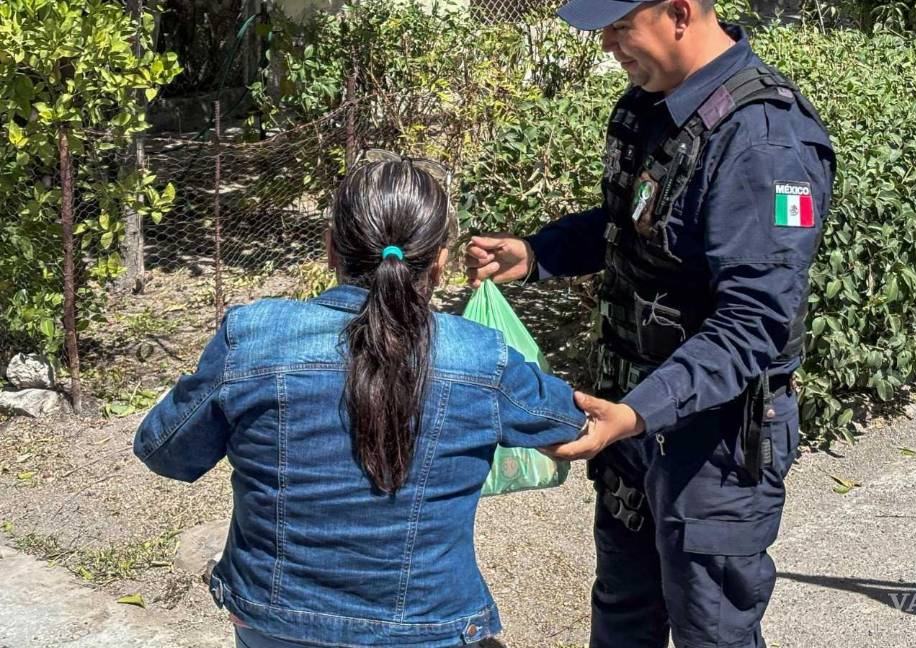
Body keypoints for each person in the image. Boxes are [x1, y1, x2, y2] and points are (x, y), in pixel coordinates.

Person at [465, 0, 836, 645]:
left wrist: (636, 413)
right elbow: (628, 225)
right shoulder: (650, 109)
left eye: (617, 27)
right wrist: (536, 254)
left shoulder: (766, 140)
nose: (607, 44)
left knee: (710, 630)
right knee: (622, 617)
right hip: (633, 422)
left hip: (715, 443)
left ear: (679, 12)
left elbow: (754, 324)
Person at [134, 159, 594, 648]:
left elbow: (165, 452)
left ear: (331, 248)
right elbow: (571, 421)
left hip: (274, 621)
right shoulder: (482, 357)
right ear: (439, 262)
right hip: (427, 626)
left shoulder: (252, 336)